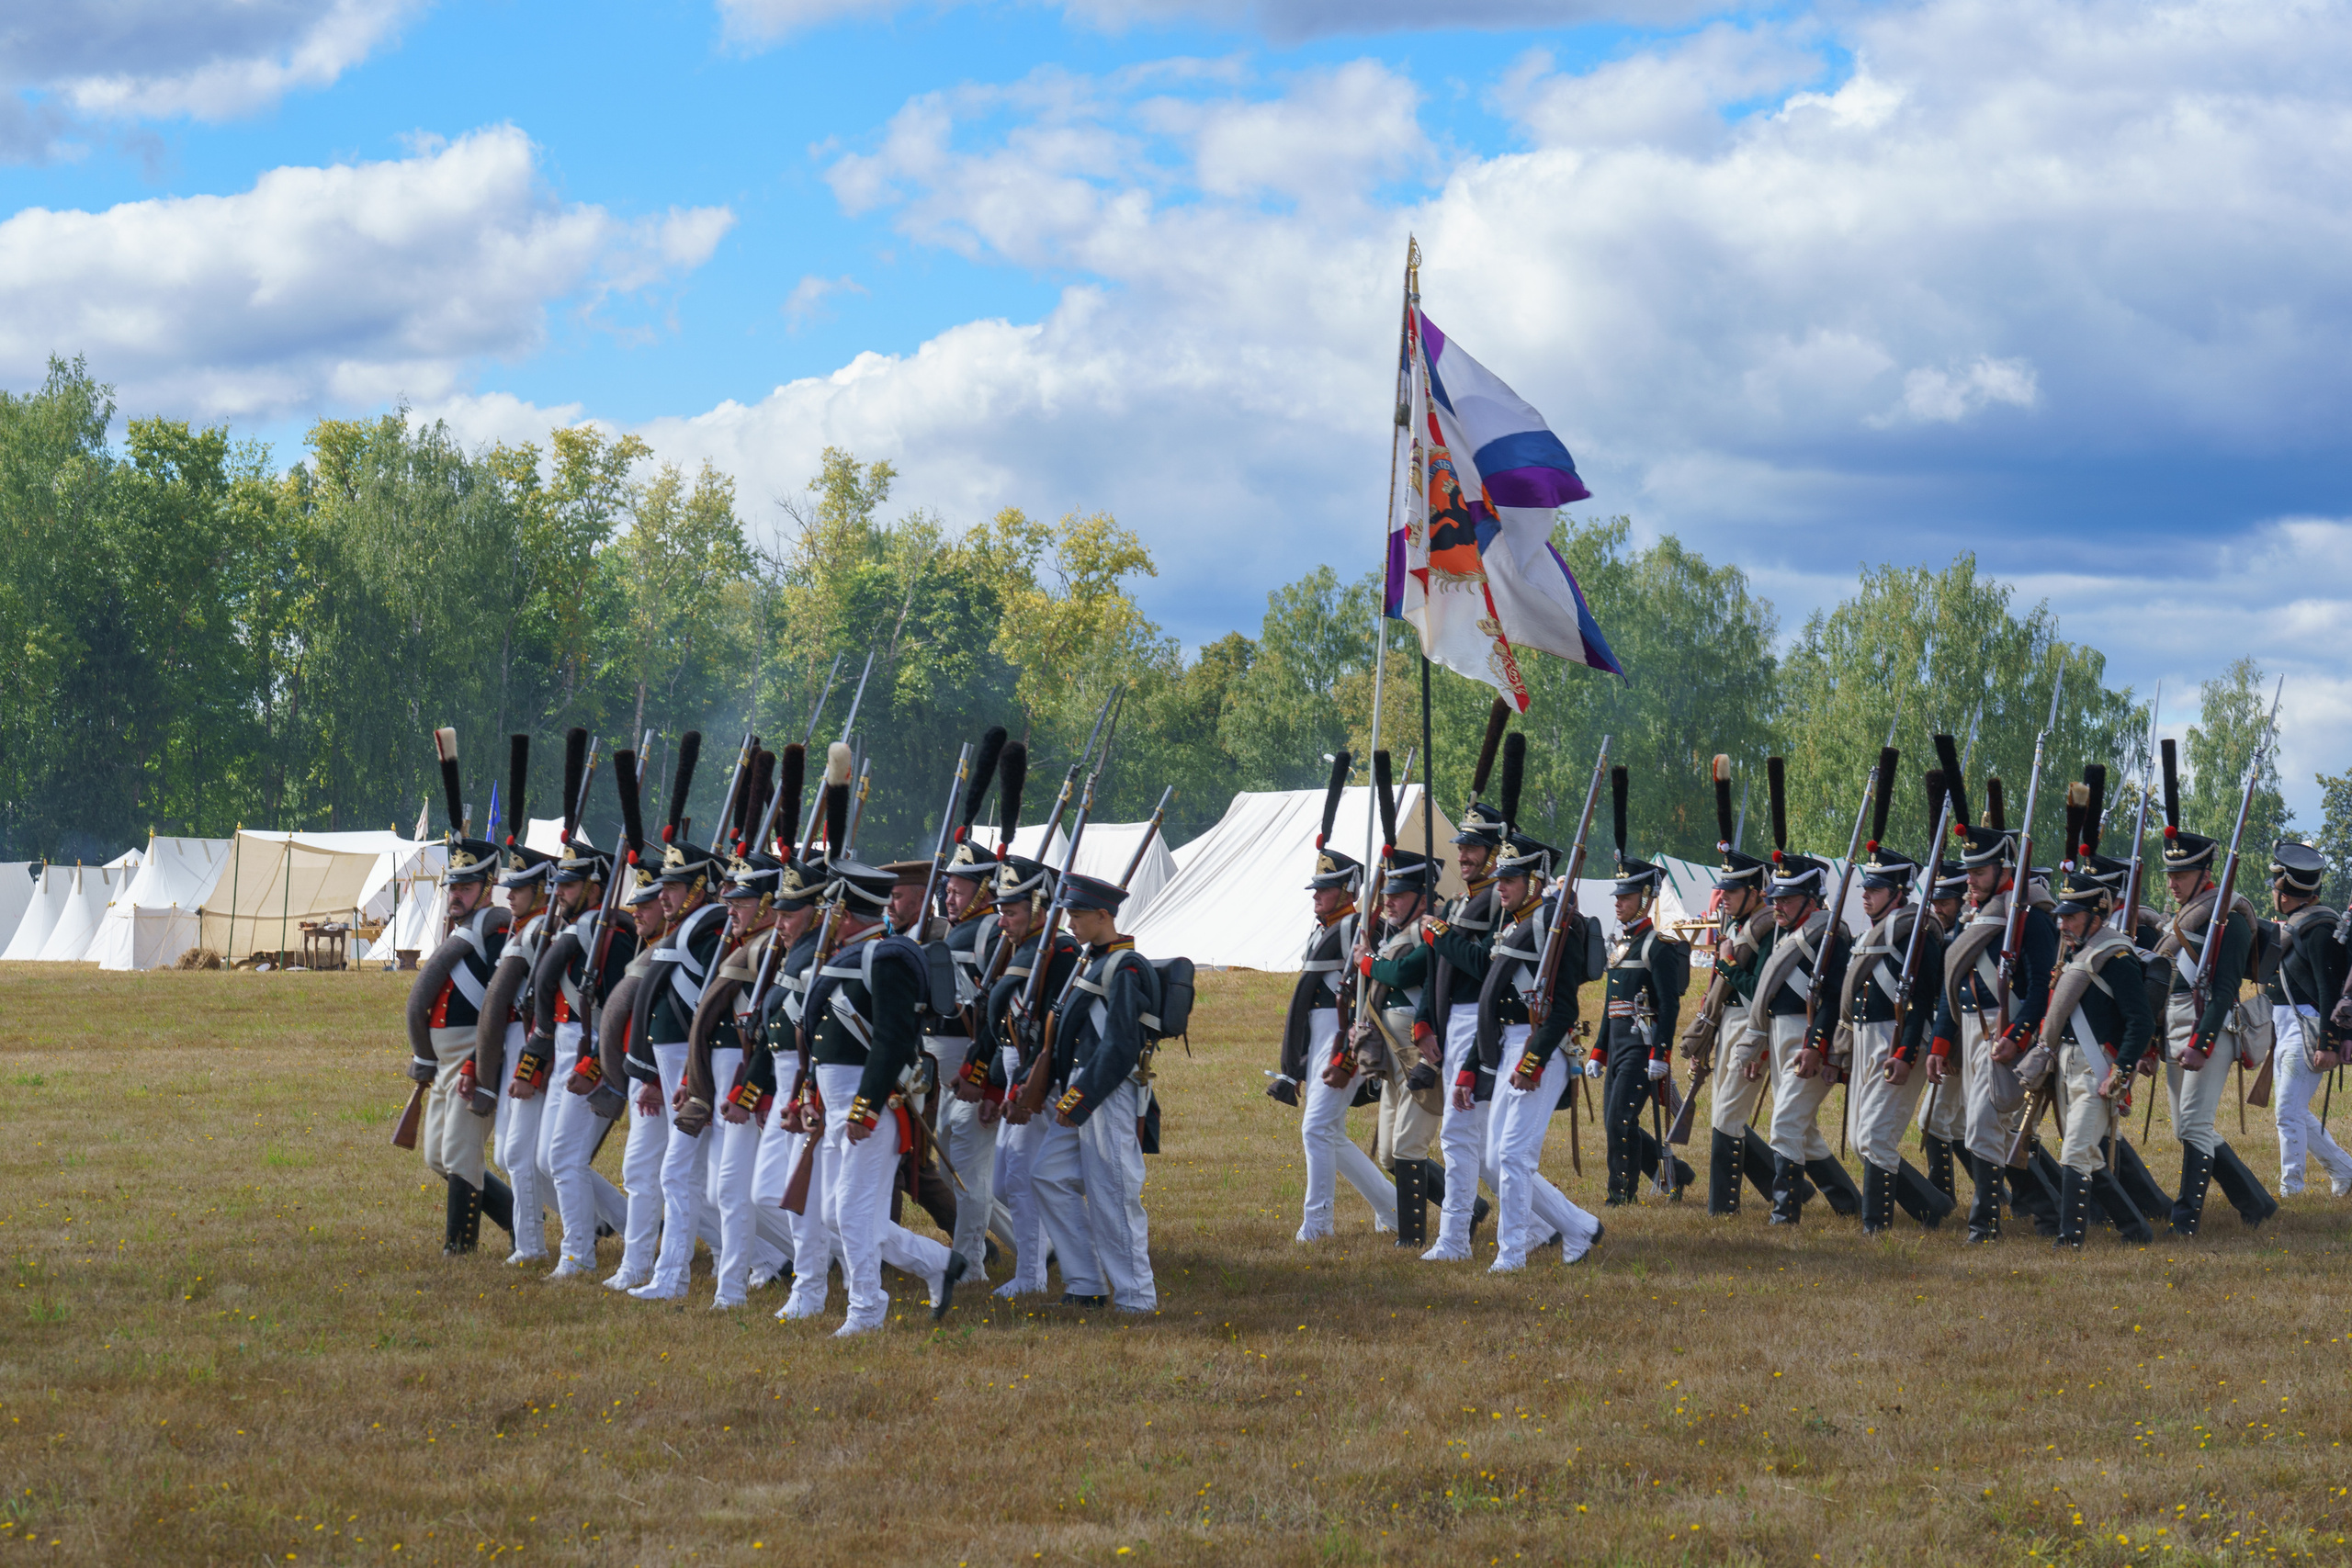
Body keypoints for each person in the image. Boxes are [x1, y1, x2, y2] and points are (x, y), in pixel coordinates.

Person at [803, 858, 964, 1335]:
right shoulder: (845, 955)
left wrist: (865, 1108)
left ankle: (867, 1309)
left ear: (845, 912)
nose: (821, 917)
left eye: (827, 909)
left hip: (871, 1109)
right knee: (837, 1213)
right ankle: (939, 1263)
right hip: (841, 1107)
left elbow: (892, 1040)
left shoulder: (886, 958)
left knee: (850, 1213)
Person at [1466, 832, 1605, 1272]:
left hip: (1542, 1049)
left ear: (1534, 879)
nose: (1500, 885)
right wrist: (1472, 1068)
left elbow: (1564, 1009)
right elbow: (1492, 1003)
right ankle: (1575, 1226)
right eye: (1500, 877)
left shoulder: (1555, 927)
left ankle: (1511, 1253)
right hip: (1511, 1045)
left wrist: (1533, 1063)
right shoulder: (1514, 924)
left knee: (1514, 1155)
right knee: (1494, 1157)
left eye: (1511, 878)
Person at [1927, 802, 2058, 1242]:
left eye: (1980, 869)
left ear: (2004, 868)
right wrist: (1941, 1044)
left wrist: (2017, 1036)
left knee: (1984, 1126)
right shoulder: (1974, 920)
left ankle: (1984, 1224)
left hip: (2002, 1030)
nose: (1970, 877)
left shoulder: (2032, 919)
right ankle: (2047, 1208)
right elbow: (1953, 986)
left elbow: (2041, 988)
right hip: (1969, 1030)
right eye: (1969, 869)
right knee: (1990, 1129)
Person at [1038, 874, 1161, 1314]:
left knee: (1112, 1195)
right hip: (1083, 1088)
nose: (1070, 922)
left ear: (1103, 916)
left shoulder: (1125, 967)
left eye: (1077, 914)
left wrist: (1081, 1099)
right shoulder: (1094, 961)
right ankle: (1085, 1282)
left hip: (1106, 1091)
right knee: (1046, 1174)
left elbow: (1121, 1044)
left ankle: (1136, 1298)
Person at [684, 840, 797, 1309]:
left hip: (757, 1082)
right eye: (728, 899)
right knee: (725, 1190)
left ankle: (730, 1292)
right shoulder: (745, 946)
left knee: (736, 1190)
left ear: (769, 904)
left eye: (741, 900)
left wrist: (747, 1093)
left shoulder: (772, 953)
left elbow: (769, 1037)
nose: (729, 907)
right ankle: (796, 1259)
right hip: (733, 1077)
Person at [2154, 823, 2278, 1231]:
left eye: (2181, 875)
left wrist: (2200, 1043)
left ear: (2205, 873)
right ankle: (2256, 1202)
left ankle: (2185, 1217)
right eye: (2170, 874)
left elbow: (2224, 990)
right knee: (2187, 1126)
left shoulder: (2231, 918)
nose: (2173, 883)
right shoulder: (2186, 915)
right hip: (2176, 1024)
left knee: (2193, 1123)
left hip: (2212, 1029)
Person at [403, 814, 516, 1257]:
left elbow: (501, 1008)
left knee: (459, 1153)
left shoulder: (499, 932)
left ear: (488, 888)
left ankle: (459, 1244)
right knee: (437, 1156)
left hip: (475, 1059)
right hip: (443, 1061)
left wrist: (480, 1063)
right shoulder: (462, 932)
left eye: (466, 888)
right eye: (453, 886)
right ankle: (519, 1217)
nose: (455, 895)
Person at [1825, 841, 1951, 1233]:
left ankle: (1875, 1225)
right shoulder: (1877, 934)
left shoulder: (1919, 933)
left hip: (1897, 1043)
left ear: (1898, 892)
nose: (1865, 894)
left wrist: (1905, 1052)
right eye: (1866, 888)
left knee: (1875, 1136)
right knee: (1861, 1138)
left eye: (1874, 889)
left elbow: (1923, 999)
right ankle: (1933, 1206)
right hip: (1867, 1038)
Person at [974, 856, 1080, 1299]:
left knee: (1021, 1179)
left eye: (1011, 911)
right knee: (1004, 1181)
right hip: (1019, 1072)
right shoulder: (1023, 951)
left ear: (1039, 908)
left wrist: (1024, 1089)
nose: (1002, 921)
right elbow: (1006, 1031)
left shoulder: (1062, 954)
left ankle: (1032, 1275)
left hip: (1045, 1078)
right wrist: (995, 1084)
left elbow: (1051, 1032)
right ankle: (1050, 1254)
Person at [532, 833, 636, 1280]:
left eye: (569, 885)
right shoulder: (568, 932)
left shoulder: (610, 938)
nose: (559, 891)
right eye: (559, 884)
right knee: (543, 1160)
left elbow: (617, 1014)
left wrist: (594, 1064)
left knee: (564, 1157)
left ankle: (577, 1255)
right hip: (563, 1050)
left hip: (590, 1056)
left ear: (595, 888)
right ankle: (633, 1225)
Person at [2041, 868, 2157, 1246]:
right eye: (2062, 916)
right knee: (2089, 1155)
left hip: (2098, 1068)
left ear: (2096, 915)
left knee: (2075, 1150)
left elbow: (2140, 1023)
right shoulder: (2077, 956)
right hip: (2066, 1065)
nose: (2063, 924)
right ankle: (2135, 1229)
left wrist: (2120, 1072)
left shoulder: (2118, 957)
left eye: (2071, 916)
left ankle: (2069, 1238)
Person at [1285, 846, 1396, 1241]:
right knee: (1327, 1132)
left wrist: (1346, 1055)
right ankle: (1393, 1207)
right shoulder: (1328, 928)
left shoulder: (1358, 929)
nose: (1316, 895)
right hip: (1320, 1038)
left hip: (1342, 1038)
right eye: (1316, 888)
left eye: (1326, 888)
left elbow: (1363, 1000)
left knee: (1315, 1130)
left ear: (1349, 888)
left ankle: (1317, 1224)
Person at [1751, 848, 1862, 1225]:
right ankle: (1849, 1203)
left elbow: (1833, 999)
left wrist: (1817, 1047)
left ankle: (1784, 1213)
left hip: (1810, 1041)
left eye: (1787, 898)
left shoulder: (1830, 934)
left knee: (1784, 1123)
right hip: (1784, 1037)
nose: (1777, 904)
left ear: (1811, 898)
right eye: (1776, 897)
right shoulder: (1791, 934)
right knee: (1805, 1131)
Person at [1415, 807, 1503, 1259]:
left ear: (1492, 855)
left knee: (1457, 1135)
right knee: (1482, 1145)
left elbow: (1482, 965)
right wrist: (1423, 1021)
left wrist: (1442, 936)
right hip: (1453, 1020)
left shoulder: (1496, 903)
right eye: (1462, 847)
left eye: (1472, 848)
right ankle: (1555, 1222)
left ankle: (1453, 1239)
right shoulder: (1458, 902)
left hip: (1479, 1019)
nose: (1463, 855)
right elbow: (1438, 969)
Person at [1595, 803, 1691, 1207]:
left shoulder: (1659, 946)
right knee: (1614, 1120)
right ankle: (1675, 1174)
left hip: (1641, 1045)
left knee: (1622, 1119)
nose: (1618, 902)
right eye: (1617, 895)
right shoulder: (1621, 945)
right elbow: (1609, 1004)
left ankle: (1621, 1195)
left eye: (1627, 895)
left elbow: (1668, 1005)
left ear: (1646, 897)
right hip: (1617, 1045)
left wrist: (1661, 1054)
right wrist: (1599, 1049)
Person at [475, 833, 558, 1264]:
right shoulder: (525, 927)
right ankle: (613, 1218)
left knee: (521, 1152)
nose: (509, 896)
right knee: (514, 1151)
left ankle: (530, 1244)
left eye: (520, 888)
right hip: (512, 1042)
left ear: (542, 888)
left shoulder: (544, 929)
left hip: (531, 1042)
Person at [1355, 852, 1444, 1238]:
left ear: (1423, 899)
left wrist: (1367, 962)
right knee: (1389, 1154)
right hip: (1394, 1058)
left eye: (1399, 894)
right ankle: (1473, 1208)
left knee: (1408, 1146)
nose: (1389, 901)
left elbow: (1406, 969)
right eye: (1388, 893)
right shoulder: (1392, 934)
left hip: (1420, 1055)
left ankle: (1412, 1236)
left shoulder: (1432, 930)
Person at [2266, 842, 2352, 1199]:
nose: (2273, 891)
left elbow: (2330, 990)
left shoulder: (2319, 928)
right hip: (2285, 1027)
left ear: (2285, 891)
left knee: (2287, 1111)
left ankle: (2292, 1189)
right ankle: (2346, 1172)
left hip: (2310, 1028)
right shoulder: (2297, 925)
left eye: (2276, 885)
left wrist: (2328, 1043)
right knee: (2294, 1110)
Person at [1701, 840, 1778, 1217]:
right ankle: (1790, 1185)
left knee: (1727, 1116)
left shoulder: (1768, 928)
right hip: (1729, 1023)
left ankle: (1722, 1207)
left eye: (1731, 890)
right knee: (1723, 1112)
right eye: (1723, 889)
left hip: (1752, 1024)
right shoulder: (1738, 922)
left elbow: (1760, 991)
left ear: (1754, 891)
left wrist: (1728, 965)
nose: (1723, 896)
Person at [1914, 857, 1971, 1202]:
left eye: (1945, 902)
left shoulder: (1966, 936)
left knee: (1933, 1120)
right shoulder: (1940, 935)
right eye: (1934, 902)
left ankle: (1941, 1198)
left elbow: (1961, 1001)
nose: (1938, 909)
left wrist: (1948, 1046)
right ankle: (2019, 1198)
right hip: (1948, 1039)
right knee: (1960, 1127)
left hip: (1961, 1044)